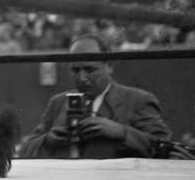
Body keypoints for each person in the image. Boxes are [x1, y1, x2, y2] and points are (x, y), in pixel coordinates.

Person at [18, 35, 171, 158]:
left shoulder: (138, 100)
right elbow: (25, 150)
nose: (82, 78)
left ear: (109, 65)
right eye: (75, 70)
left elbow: (165, 148)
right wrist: (48, 140)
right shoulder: (58, 102)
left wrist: (122, 132)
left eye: (90, 69)